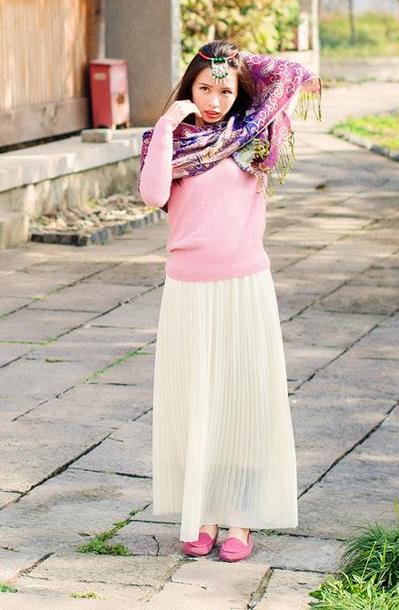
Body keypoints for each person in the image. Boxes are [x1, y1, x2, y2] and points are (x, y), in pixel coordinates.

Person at [138, 39, 321, 562]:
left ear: (241, 94)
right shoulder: (169, 142)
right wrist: (168, 125)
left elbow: (285, 74)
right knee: (196, 400)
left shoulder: (254, 135)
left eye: (225, 91)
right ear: (188, 88)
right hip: (187, 287)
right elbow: (153, 195)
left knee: (243, 399)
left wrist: (231, 65)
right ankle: (202, 514)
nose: (214, 100)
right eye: (204, 88)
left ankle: (241, 519)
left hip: (244, 284)